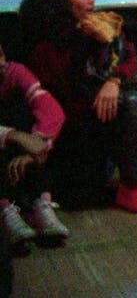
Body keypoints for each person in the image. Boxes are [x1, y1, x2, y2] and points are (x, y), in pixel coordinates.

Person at [19, 0, 137, 213]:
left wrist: (114, 80)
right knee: (79, 195)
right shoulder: (44, 42)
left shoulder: (98, 25)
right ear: (61, 0)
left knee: (134, 97)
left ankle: (131, 187)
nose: (92, 1)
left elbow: (129, 58)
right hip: (63, 130)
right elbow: (56, 100)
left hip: (96, 117)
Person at [1, 44, 68, 254]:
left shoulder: (14, 73)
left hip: (13, 146)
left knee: (25, 114)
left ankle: (41, 202)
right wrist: (13, 135)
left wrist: (34, 149)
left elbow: (52, 110)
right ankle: (3, 207)